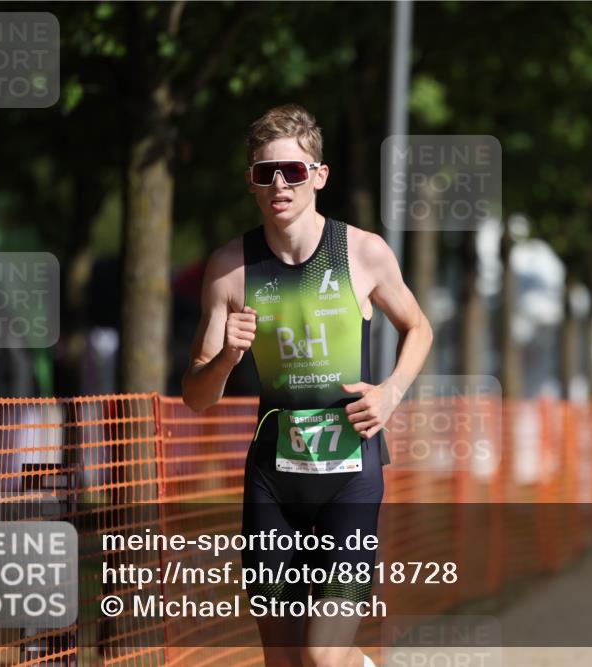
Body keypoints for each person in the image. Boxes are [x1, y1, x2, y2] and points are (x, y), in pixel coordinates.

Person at [182, 104, 433, 667]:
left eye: (292, 171)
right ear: (250, 180)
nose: (278, 184)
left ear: (318, 175)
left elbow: (418, 327)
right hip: (274, 482)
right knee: (286, 661)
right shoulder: (230, 268)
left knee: (322, 655)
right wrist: (227, 358)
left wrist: (390, 393)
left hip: (350, 481)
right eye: (264, 172)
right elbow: (196, 396)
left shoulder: (362, 252)